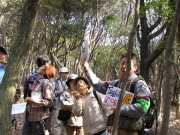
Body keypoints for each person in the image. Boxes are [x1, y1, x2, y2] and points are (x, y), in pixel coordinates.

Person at [82, 52, 151, 135]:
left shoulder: (139, 84)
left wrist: (120, 109)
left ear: (135, 67)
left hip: (132, 131)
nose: (124, 66)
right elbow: (99, 85)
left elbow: (142, 107)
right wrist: (87, 69)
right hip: (117, 129)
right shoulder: (116, 84)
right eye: (122, 63)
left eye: (128, 64)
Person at [23, 63, 56, 135]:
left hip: (39, 118)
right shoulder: (36, 82)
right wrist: (27, 99)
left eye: (42, 67)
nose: (40, 67)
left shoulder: (47, 84)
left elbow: (49, 102)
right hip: (29, 115)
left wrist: (35, 101)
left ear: (44, 72)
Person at [53, 67, 69, 135]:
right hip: (58, 103)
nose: (64, 75)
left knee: (67, 121)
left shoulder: (70, 82)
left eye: (66, 73)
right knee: (57, 121)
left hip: (68, 104)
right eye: (63, 73)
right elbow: (51, 93)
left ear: (68, 74)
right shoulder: (55, 82)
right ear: (60, 74)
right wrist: (58, 92)